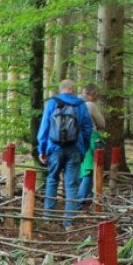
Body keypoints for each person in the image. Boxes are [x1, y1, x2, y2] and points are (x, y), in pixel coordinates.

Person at [36, 79, 94, 227]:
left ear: (60, 89)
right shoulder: (80, 105)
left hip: (54, 148)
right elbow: (88, 128)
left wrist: (42, 149)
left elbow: (44, 127)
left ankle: (48, 217)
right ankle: (69, 222)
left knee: (52, 179)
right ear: (72, 89)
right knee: (72, 185)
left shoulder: (51, 103)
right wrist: (84, 148)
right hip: (75, 149)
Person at [77, 83, 107, 206]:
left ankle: (83, 199)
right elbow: (102, 123)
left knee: (80, 168)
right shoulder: (90, 105)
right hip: (89, 138)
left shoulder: (73, 103)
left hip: (74, 139)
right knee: (90, 169)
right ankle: (79, 201)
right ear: (92, 94)